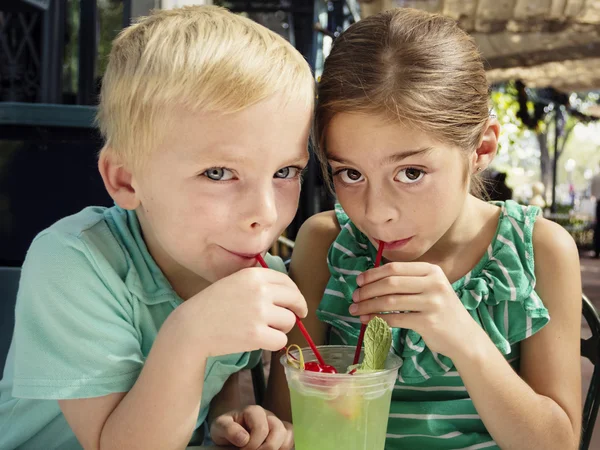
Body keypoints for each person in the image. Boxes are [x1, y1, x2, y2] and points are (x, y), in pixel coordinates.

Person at [266, 8, 582, 450]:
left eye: (411, 172)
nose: (377, 214)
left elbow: (558, 444)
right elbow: (285, 425)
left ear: (482, 146)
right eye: (350, 174)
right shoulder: (325, 245)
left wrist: (464, 338)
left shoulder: (539, 249)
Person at [0, 6, 313, 450]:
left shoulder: (248, 271)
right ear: (126, 180)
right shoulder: (74, 261)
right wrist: (190, 334)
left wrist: (233, 417)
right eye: (219, 173)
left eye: (286, 172)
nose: (264, 212)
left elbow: (224, 368)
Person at [592, 169, 600, 258]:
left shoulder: (596, 177)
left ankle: (597, 251)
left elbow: (593, 193)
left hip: (599, 204)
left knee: (598, 227)